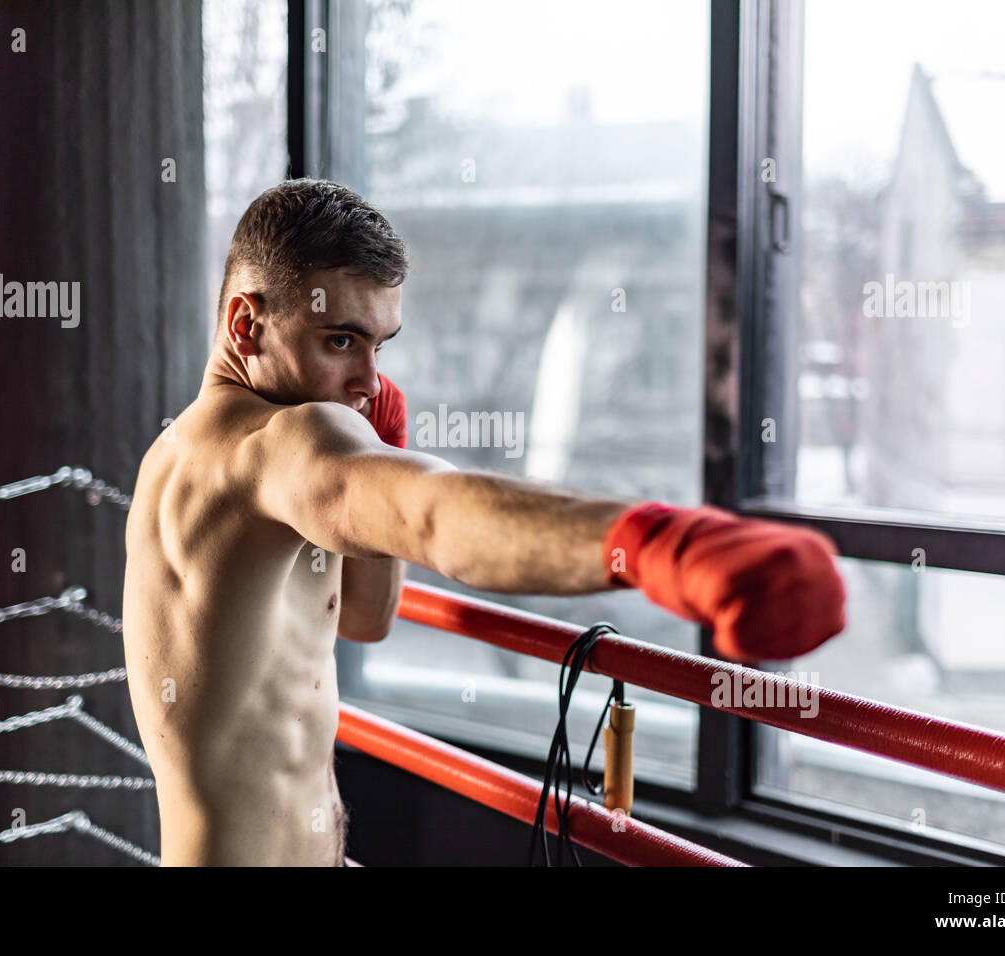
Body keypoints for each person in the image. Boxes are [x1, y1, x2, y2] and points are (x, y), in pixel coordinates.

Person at [122, 178, 847, 866]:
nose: (370, 381)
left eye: (380, 345)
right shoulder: (270, 448)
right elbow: (435, 513)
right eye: (340, 339)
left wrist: (384, 449)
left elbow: (364, 619)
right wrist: (656, 545)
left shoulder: (182, 451)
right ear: (247, 324)